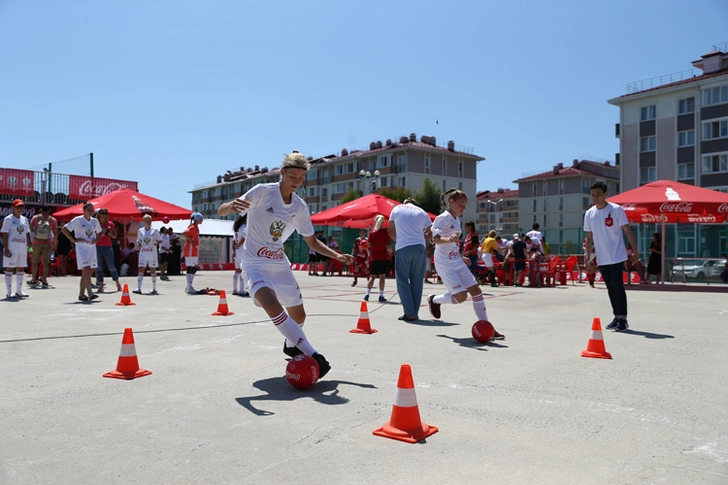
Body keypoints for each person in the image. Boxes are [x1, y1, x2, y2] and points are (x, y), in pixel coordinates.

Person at [217, 151, 353, 378]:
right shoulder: (262, 192)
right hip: (254, 264)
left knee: (299, 317)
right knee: (271, 305)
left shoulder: (299, 207)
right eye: (293, 176)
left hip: (279, 265)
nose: (297, 182)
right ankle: (314, 354)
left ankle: (291, 344)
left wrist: (336, 256)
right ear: (282, 172)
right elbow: (221, 210)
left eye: (301, 178)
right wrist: (231, 205)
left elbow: (311, 240)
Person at [427, 189, 505, 339]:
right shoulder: (442, 218)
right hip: (444, 263)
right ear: (451, 202)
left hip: (456, 259)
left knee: (476, 291)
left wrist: (461, 256)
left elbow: (454, 243)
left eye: (465, 205)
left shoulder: (456, 220)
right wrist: (448, 240)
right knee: (461, 297)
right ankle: (434, 299)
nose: (463, 208)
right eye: (460, 204)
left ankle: (487, 326)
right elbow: (435, 240)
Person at [584, 181, 639, 332]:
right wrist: (588, 257)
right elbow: (589, 238)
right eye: (593, 194)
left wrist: (635, 251)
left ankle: (623, 318)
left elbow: (627, 231)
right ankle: (616, 316)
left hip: (616, 255)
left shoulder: (616, 210)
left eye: (599, 194)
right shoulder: (589, 213)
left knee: (617, 286)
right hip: (602, 257)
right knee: (610, 288)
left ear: (605, 194)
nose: (595, 197)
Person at [388, 197, 433, 322]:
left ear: (404, 203)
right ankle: (414, 312)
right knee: (417, 282)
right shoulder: (422, 211)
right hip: (420, 247)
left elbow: (390, 231)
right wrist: (421, 236)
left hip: (403, 247)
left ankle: (409, 312)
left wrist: (401, 241)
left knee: (402, 281)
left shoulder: (396, 209)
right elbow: (432, 232)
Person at [62, 202, 102, 301]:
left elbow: (100, 232)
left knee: (89, 271)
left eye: (92, 209)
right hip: (81, 247)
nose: (91, 211)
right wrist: (74, 240)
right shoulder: (78, 220)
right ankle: (90, 293)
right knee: (86, 268)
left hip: (92, 247)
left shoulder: (95, 221)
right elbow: (64, 229)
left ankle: (81, 294)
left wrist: (96, 240)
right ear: (84, 210)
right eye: (89, 209)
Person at [2, 199, 32, 298]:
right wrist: (6, 248)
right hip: (12, 247)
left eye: (21, 207)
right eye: (18, 207)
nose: (20, 209)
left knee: (21, 268)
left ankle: (19, 291)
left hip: (22, 247)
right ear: (13, 207)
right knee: (10, 268)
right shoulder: (8, 219)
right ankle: (9, 292)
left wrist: (29, 246)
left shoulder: (25, 219)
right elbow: (5, 234)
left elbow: (27, 233)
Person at [29, 205, 58, 287]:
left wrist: (36, 231)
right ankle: (44, 279)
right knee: (46, 263)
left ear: (41, 210)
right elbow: (55, 233)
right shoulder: (52, 220)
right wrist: (54, 244)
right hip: (47, 243)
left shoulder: (35, 218)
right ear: (49, 210)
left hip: (36, 242)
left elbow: (31, 228)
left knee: (35, 262)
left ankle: (34, 279)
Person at [94, 208, 122, 293]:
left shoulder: (110, 224)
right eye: (102, 213)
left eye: (105, 213)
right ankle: (101, 284)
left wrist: (109, 233)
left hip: (107, 247)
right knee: (99, 267)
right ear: (99, 214)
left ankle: (117, 283)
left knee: (111, 266)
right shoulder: (95, 224)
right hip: (97, 246)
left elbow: (114, 236)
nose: (103, 215)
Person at [134, 214, 163, 295]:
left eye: (150, 221)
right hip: (143, 252)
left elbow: (160, 240)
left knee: (152, 269)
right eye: (147, 221)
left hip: (152, 253)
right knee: (141, 269)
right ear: (143, 221)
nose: (148, 222)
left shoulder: (155, 230)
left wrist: (156, 243)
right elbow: (138, 240)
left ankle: (154, 288)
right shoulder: (140, 231)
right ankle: (138, 288)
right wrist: (138, 244)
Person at [364, 215, 390, 302]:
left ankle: (367, 294)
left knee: (372, 276)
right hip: (383, 256)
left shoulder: (372, 233)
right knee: (382, 277)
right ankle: (381, 295)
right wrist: (390, 251)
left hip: (374, 257)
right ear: (382, 222)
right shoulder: (384, 233)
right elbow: (389, 246)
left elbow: (369, 244)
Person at [182, 212, 205, 294]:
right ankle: (189, 287)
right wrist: (191, 240)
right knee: (191, 267)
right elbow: (184, 233)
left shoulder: (196, 227)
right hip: (190, 250)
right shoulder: (192, 227)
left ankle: (189, 286)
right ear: (197, 219)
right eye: (201, 218)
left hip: (194, 250)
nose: (202, 220)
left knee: (194, 267)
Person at [232, 214, 249, 296]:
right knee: (242, 271)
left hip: (237, 251)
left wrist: (233, 249)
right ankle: (242, 290)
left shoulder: (237, 229)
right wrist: (239, 244)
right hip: (242, 251)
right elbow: (244, 238)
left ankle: (235, 289)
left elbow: (233, 240)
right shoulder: (244, 227)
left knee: (237, 270)